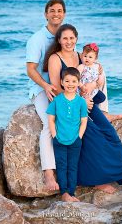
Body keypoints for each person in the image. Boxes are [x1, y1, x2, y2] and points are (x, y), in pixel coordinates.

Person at [43, 24, 122, 193]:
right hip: (69, 106)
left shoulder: (80, 56)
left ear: (76, 39)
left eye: (72, 38)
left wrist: (94, 81)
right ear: (59, 40)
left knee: (109, 132)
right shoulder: (55, 58)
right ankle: (98, 181)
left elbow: (94, 77)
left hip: (86, 101)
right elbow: (56, 88)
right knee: (93, 138)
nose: (68, 41)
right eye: (65, 38)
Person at [26, 0, 66, 191]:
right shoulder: (36, 39)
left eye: (59, 10)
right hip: (41, 89)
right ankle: (49, 174)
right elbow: (30, 69)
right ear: (46, 14)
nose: (56, 14)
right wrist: (45, 85)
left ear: (64, 14)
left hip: (63, 88)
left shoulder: (65, 37)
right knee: (49, 125)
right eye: (52, 11)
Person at [46, 67, 88, 202]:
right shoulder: (57, 100)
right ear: (62, 82)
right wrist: (54, 135)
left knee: (73, 166)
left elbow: (84, 121)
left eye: (74, 81)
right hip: (59, 140)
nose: (70, 84)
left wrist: (79, 137)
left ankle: (71, 192)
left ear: (78, 83)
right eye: (67, 81)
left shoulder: (81, 101)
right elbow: (51, 119)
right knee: (62, 166)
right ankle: (64, 192)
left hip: (75, 140)